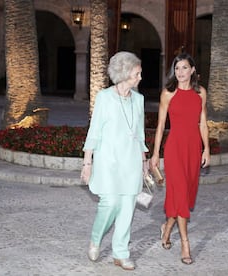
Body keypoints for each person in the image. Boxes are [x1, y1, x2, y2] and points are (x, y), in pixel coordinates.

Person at [80, 51, 148, 271]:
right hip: (108, 161)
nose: (140, 77)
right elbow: (94, 131)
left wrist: (143, 160)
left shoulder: (139, 99)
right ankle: (95, 239)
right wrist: (87, 163)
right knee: (110, 204)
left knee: (127, 207)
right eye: (137, 73)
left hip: (131, 162)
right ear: (125, 73)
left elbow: (139, 133)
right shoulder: (104, 97)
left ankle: (120, 253)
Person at [150, 52, 210, 265]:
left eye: (185, 68)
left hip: (193, 148)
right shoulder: (168, 93)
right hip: (174, 148)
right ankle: (185, 243)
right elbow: (160, 125)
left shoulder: (201, 92)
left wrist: (206, 149)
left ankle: (166, 229)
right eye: (177, 69)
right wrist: (155, 154)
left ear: (192, 70)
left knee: (185, 194)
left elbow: (203, 122)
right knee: (181, 194)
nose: (181, 72)